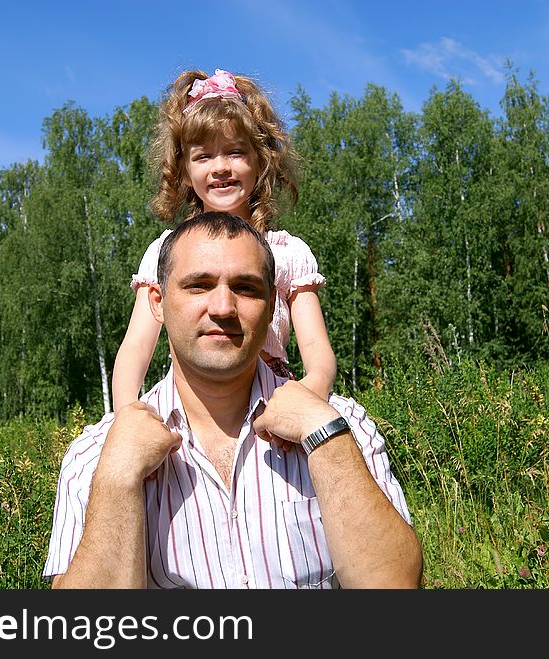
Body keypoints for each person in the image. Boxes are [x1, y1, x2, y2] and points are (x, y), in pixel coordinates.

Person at [44, 212, 423, 589]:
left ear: (273, 302)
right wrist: (117, 480)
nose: (223, 307)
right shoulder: (95, 455)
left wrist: (326, 438)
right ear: (157, 302)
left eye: (245, 288)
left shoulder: (342, 426)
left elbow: (397, 587)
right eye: (198, 286)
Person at [111, 68, 337, 410]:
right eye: (203, 156)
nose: (220, 167)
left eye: (235, 152)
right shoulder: (163, 253)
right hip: (193, 405)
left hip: (272, 404)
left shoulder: (287, 254)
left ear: (260, 162)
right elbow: (135, 348)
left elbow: (318, 352)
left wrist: (308, 398)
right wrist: (126, 413)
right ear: (184, 170)